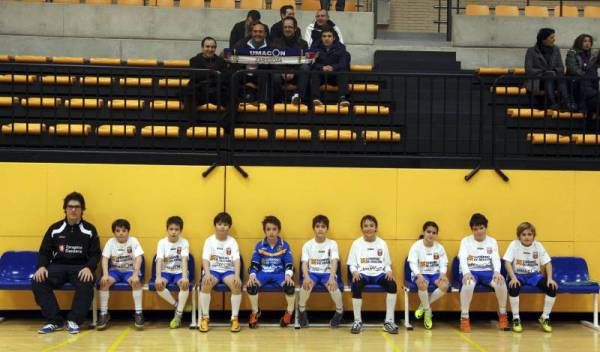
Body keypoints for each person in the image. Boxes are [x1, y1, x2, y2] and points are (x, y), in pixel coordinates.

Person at [32, 192, 101, 334]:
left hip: (80, 267)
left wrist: (89, 267)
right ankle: (54, 320)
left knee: (87, 282)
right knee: (38, 281)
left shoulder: (90, 230)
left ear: (82, 210)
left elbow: (95, 254)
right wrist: (41, 267)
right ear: (65, 209)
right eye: (70, 207)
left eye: (77, 207)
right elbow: (44, 251)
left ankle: (74, 321)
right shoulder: (55, 228)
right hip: (57, 266)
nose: (73, 210)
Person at [347, 215, 398, 334]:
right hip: (363, 274)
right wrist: (354, 272)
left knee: (392, 285)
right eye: (365, 226)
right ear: (362, 229)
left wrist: (389, 271)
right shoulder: (356, 244)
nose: (368, 228)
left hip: (379, 274)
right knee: (356, 284)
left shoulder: (382, 243)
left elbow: (386, 264)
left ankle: (389, 321)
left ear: (376, 228)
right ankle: (357, 321)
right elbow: (352, 264)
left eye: (371, 225)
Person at [504, 222, 557, 333]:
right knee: (513, 287)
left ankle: (545, 317)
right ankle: (516, 318)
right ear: (519, 236)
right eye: (523, 234)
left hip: (534, 276)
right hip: (518, 275)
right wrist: (513, 277)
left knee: (552, 287)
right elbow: (507, 263)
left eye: (529, 234)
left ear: (533, 235)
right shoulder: (514, 245)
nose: (527, 237)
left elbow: (548, 263)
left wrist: (550, 278)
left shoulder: (538, 246)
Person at [458, 213, 508, 333]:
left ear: (485, 228)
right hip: (471, 271)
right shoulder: (465, 241)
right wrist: (466, 272)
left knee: (500, 282)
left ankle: (502, 314)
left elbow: (496, 258)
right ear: (472, 230)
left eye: (481, 228)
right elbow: (462, 258)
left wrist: (497, 272)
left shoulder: (492, 241)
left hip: (487, 272)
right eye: (475, 229)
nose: (479, 231)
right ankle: (464, 317)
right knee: (468, 283)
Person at [246, 216, 295, 328]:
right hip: (263, 273)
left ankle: (289, 313)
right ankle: (255, 312)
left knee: (290, 287)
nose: (271, 232)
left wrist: (288, 275)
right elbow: (254, 263)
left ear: (278, 230)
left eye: (274, 229)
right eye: (268, 229)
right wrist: (252, 275)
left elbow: (289, 263)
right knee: (251, 286)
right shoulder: (259, 245)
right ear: (265, 231)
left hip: (279, 274)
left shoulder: (284, 245)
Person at [97, 219, 145, 331]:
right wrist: (105, 274)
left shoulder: (133, 241)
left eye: (124, 230)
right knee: (104, 282)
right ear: (114, 232)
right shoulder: (110, 242)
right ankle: (104, 314)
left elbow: (139, 258)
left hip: (130, 270)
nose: (121, 233)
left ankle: (138, 313)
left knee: (136, 282)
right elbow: (104, 259)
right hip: (115, 271)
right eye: (118, 231)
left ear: (128, 231)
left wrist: (135, 274)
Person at [297, 215, 344, 328]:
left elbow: (334, 262)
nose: (320, 229)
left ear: (326, 228)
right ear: (314, 228)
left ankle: (339, 311)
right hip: (312, 273)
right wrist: (306, 277)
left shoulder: (332, 244)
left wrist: (332, 277)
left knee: (334, 288)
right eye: (317, 226)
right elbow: (304, 263)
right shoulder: (308, 245)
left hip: (327, 273)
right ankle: (301, 310)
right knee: (305, 287)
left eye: (323, 226)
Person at [199, 212, 242, 333]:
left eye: (225, 224)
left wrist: (237, 276)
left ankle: (234, 318)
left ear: (229, 227)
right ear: (215, 225)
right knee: (206, 283)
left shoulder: (232, 242)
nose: (222, 227)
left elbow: (236, 260)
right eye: (219, 224)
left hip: (228, 271)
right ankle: (205, 317)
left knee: (236, 285)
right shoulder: (209, 241)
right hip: (213, 270)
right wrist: (207, 273)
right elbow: (205, 259)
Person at [407, 221, 449, 330]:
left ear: (436, 235)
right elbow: (412, 262)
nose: (431, 234)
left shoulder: (439, 248)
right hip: (421, 273)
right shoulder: (416, 246)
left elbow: (443, 263)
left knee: (445, 286)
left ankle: (424, 306)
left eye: (434, 233)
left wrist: (443, 274)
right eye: (428, 232)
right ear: (424, 232)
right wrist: (418, 275)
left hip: (435, 274)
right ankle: (427, 312)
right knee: (422, 284)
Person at [524, 28, 576, 111]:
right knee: (549, 75)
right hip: (538, 80)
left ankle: (566, 102)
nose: (554, 40)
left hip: (554, 78)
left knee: (559, 76)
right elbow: (528, 69)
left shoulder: (556, 49)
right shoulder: (531, 51)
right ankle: (553, 103)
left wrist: (554, 71)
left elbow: (561, 68)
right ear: (543, 39)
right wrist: (544, 71)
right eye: (551, 38)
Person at [154, 216, 190, 329]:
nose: (173, 232)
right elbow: (159, 260)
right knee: (158, 286)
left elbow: (184, 260)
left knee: (185, 285)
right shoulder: (162, 242)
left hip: (179, 272)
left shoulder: (184, 242)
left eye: (176, 229)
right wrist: (158, 277)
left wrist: (184, 277)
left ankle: (178, 316)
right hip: (166, 272)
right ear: (167, 229)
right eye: (171, 229)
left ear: (180, 230)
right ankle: (177, 305)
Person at [185, 37, 230, 120]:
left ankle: (225, 125)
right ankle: (194, 125)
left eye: (213, 47)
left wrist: (205, 74)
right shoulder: (194, 60)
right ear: (202, 47)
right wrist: (215, 73)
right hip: (200, 91)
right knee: (188, 95)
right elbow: (195, 76)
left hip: (216, 91)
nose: (210, 49)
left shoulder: (221, 61)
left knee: (234, 98)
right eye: (207, 47)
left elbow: (224, 78)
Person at [271, 16, 310, 104]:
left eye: (290, 27)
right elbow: (273, 62)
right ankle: (279, 101)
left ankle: (298, 97)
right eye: (285, 27)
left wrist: (293, 72)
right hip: (280, 73)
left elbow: (303, 61)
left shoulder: (303, 44)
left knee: (305, 67)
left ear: (295, 28)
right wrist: (284, 72)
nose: (287, 29)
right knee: (275, 76)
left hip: (296, 74)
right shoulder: (275, 43)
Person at [310, 27, 351, 107]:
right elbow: (311, 63)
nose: (326, 38)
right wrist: (322, 67)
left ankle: (342, 99)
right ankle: (316, 99)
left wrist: (333, 67)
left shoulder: (341, 48)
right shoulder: (315, 48)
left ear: (334, 38)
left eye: (329, 36)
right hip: (321, 75)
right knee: (314, 73)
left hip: (335, 76)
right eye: (324, 36)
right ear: (321, 38)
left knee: (342, 72)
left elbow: (343, 64)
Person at [234, 22, 271, 104]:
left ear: (265, 34)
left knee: (265, 75)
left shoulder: (271, 46)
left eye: (260, 32)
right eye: (255, 31)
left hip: (260, 76)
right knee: (234, 75)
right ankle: (234, 105)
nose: (257, 34)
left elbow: (272, 66)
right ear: (251, 33)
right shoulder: (240, 44)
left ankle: (263, 105)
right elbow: (234, 63)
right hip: (243, 74)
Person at [566, 34, 599, 115]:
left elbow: (595, 68)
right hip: (575, 80)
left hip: (589, 82)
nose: (587, 43)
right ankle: (583, 105)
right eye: (585, 41)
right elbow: (572, 68)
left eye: (589, 41)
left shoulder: (593, 55)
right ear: (579, 42)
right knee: (584, 81)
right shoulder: (572, 53)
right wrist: (585, 75)